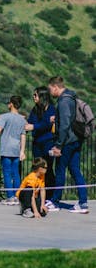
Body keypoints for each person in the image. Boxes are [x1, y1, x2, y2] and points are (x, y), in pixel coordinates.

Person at [47, 76, 89, 214]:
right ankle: (83, 203)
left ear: (55, 87)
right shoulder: (71, 98)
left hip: (67, 142)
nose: (50, 92)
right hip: (76, 139)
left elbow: (65, 125)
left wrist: (58, 145)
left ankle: (55, 201)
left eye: (50, 89)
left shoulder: (64, 101)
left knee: (60, 170)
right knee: (75, 170)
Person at [24, 87, 56, 199]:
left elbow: (47, 124)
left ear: (42, 96)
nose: (33, 97)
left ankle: (50, 196)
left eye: (35, 95)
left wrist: (33, 126)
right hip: (37, 143)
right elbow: (31, 121)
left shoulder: (51, 109)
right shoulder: (35, 109)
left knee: (47, 168)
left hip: (48, 142)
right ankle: (37, 194)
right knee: (37, 168)